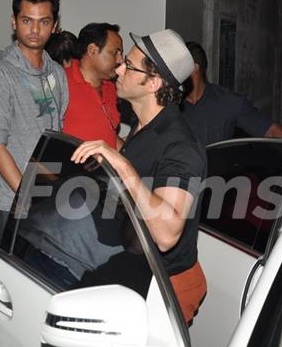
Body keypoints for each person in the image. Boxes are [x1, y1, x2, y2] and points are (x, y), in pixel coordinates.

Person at [71, 29, 207, 324]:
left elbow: (167, 235)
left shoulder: (181, 145)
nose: (119, 68)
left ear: (154, 82)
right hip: (135, 268)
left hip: (166, 284)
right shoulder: (145, 125)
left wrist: (123, 166)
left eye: (129, 66)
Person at [0, 0, 69, 264]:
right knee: (3, 298)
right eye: (26, 20)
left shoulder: (56, 72)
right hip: (9, 206)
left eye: (43, 22)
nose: (34, 30)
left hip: (45, 203)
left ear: (54, 25)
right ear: (13, 22)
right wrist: (27, 200)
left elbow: (57, 135)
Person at [181, 41, 282, 146]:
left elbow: (271, 131)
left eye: (178, 67)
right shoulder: (172, 105)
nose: (173, 73)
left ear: (194, 68)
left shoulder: (227, 102)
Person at [62, 22, 123, 149]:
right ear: (92, 50)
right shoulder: (61, 82)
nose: (120, 60)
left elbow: (108, 136)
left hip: (105, 168)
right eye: (115, 52)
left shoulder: (112, 88)